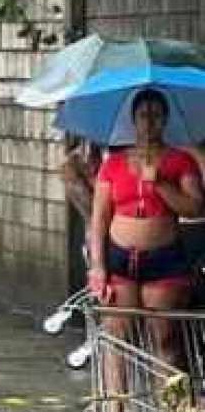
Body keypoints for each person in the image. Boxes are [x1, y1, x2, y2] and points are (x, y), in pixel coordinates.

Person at [86, 87, 201, 369]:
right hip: (120, 259)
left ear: (165, 120)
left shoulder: (180, 161)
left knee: (165, 337)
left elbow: (195, 207)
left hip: (163, 259)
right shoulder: (113, 164)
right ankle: (116, 411)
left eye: (156, 116)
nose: (149, 123)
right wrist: (98, 266)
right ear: (133, 120)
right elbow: (99, 219)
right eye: (143, 116)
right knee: (118, 336)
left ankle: (172, 408)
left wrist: (160, 184)